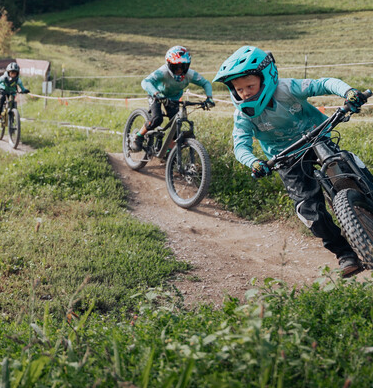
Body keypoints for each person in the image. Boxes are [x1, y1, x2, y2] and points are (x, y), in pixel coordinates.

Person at [212, 45, 365, 277]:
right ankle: (344, 253)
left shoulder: (287, 88)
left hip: (318, 136)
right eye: (239, 89)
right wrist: (253, 161)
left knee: (350, 168)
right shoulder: (242, 114)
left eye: (250, 86)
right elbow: (240, 145)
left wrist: (348, 92)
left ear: (267, 76)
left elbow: (323, 83)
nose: (245, 93)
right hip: (285, 158)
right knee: (308, 211)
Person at [131, 46, 214, 150]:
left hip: (173, 98)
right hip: (156, 95)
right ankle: (138, 136)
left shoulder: (190, 74)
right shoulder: (163, 72)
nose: (179, 70)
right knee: (157, 119)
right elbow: (145, 82)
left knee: (176, 127)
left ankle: (169, 152)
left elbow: (205, 83)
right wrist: (156, 93)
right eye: (176, 67)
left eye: (183, 66)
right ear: (169, 64)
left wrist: (209, 98)